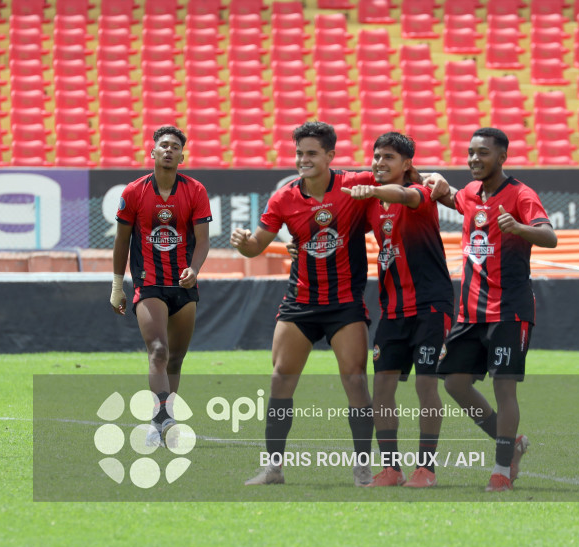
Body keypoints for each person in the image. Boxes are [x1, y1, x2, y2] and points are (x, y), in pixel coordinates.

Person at [230, 121, 375, 487]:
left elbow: (399, 179)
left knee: (356, 380)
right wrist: (243, 241)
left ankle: (362, 469)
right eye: (299, 153)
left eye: (311, 153)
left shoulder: (357, 185)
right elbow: (257, 245)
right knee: (280, 379)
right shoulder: (284, 198)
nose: (303, 159)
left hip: (344, 303)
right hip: (300, 302)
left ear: (330, 156)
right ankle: (273, 469)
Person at [429, 128, 557, 492]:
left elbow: (549, 236)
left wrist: (517, 226)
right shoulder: (470, 192)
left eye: (482, 153)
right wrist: (433, 186)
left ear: (502, 157)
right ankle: (513, 444)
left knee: (505, 389)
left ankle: (501, 469)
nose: (474, 159)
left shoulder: (521, 194)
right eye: (470, 152)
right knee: (454, 382)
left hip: (510, 310)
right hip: (470, 312)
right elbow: (458, 200)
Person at [343, 132, 453, 488]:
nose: (379, 163)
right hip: (392, 308)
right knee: (383, 390)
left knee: (425, 385)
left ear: (407, 164)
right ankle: (391, 468)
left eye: (388, 158)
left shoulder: (420, 193)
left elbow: (405, 195)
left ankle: (427, 468)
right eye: (376, 157)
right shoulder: (371, 203)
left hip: (431, 305)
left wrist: (373, 189)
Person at [111, 126, 211, 447]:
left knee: (176, 359)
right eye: (163, 145)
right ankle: (164, 421)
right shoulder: (133, 192)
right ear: (152, 152)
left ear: (183, 155)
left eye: (175, 146)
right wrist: (117, 286)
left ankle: (161, 420)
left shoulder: (195, 191)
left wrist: (194, 270)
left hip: (183, 286)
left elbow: (204, 240)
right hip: (149, 283)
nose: (169, 150)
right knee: (158, 350)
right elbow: (121, 242)